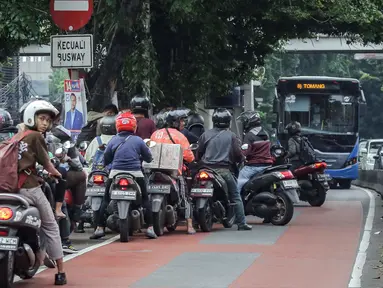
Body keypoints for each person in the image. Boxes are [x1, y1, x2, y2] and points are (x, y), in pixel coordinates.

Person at [18, 100, 67, 285]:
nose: (45, 123)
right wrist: (56, 174)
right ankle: (61, 272)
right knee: (51, 225)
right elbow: (47, 163)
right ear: (32, 117)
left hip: (10, 189)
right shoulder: (35, 137)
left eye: (48, 120)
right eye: (42, 118)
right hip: (29, 188)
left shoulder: (17, 136)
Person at [90, 112, 157, 239]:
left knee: (106, 199)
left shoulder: (113, 140)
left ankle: (99, 228)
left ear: (117, 126)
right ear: (134, 126)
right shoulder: (138, 141)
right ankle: (150, 228)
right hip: (136, 173)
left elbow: (106, 159)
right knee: (145, 200)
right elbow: (148, 158)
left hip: (115, 173)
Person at [196, 108, 252, 231]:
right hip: (223, 170)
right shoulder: (232, 136)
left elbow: (199, 153)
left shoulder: (205, 134)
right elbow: (237, 154)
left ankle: (193, 221)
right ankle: (242, 223)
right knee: (235, 196)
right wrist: (242, 158)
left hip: (205, 169)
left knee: (192, 192)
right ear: (228, 121)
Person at [150, 109, 196, 235]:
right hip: (173, 172)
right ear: (175, 122)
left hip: (154, 170)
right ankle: (189, 225)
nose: (183, 124)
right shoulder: (180, 136)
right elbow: (189, 157)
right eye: (181, 121)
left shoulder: (156, 134)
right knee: (185, 196)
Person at [236, 111, 274, 199]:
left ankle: (236, 205)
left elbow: (244, 152)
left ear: (249, 122)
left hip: (254, 166)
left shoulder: (249, 135)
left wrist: (238, 157)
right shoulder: (266, 133)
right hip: (268, 165)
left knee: (237, 185)